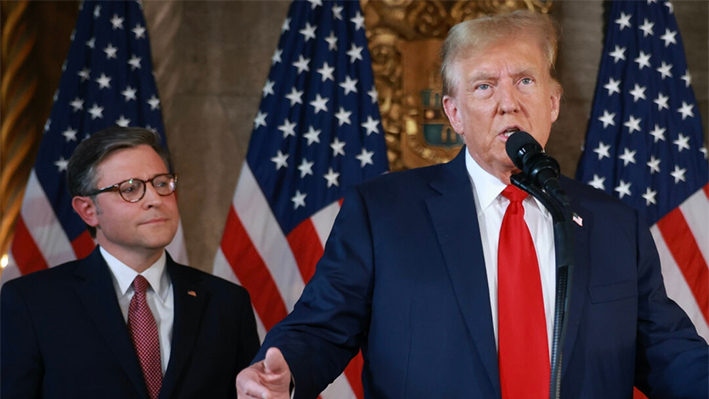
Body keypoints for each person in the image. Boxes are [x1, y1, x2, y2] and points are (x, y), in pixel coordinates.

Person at [235, 10, 709, 399]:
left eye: (525, 81)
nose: (509, 103)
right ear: (454, 113)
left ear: (554, 101)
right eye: (484, 86)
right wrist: (284, 370)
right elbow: (321, 327)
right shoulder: (382, 213)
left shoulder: (614, 224)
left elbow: (668, 351)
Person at [1, 126, 260, 399]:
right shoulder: (31, 302)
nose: (154, 200)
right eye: (130, 188)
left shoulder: (227, 301)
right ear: (88, 211)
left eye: (161, 183)